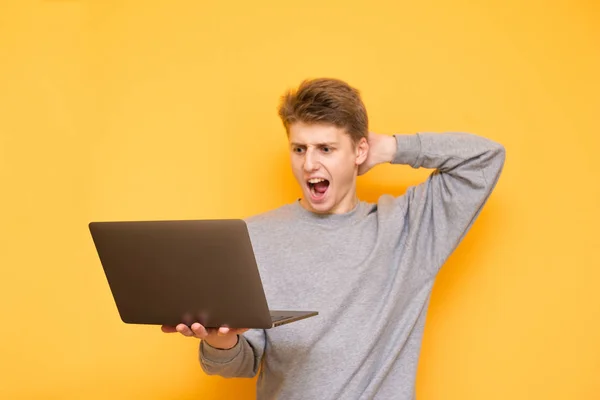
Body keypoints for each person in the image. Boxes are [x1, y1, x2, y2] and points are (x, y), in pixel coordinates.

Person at [161, 78, 506, 399]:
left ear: (359, 151)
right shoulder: (251, 237)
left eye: (325, 149)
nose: (309, 163)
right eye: (299, 149)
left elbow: (485, 158)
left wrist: (390, 148)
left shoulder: (409, 228)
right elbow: (242, 364)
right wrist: (221, 341)